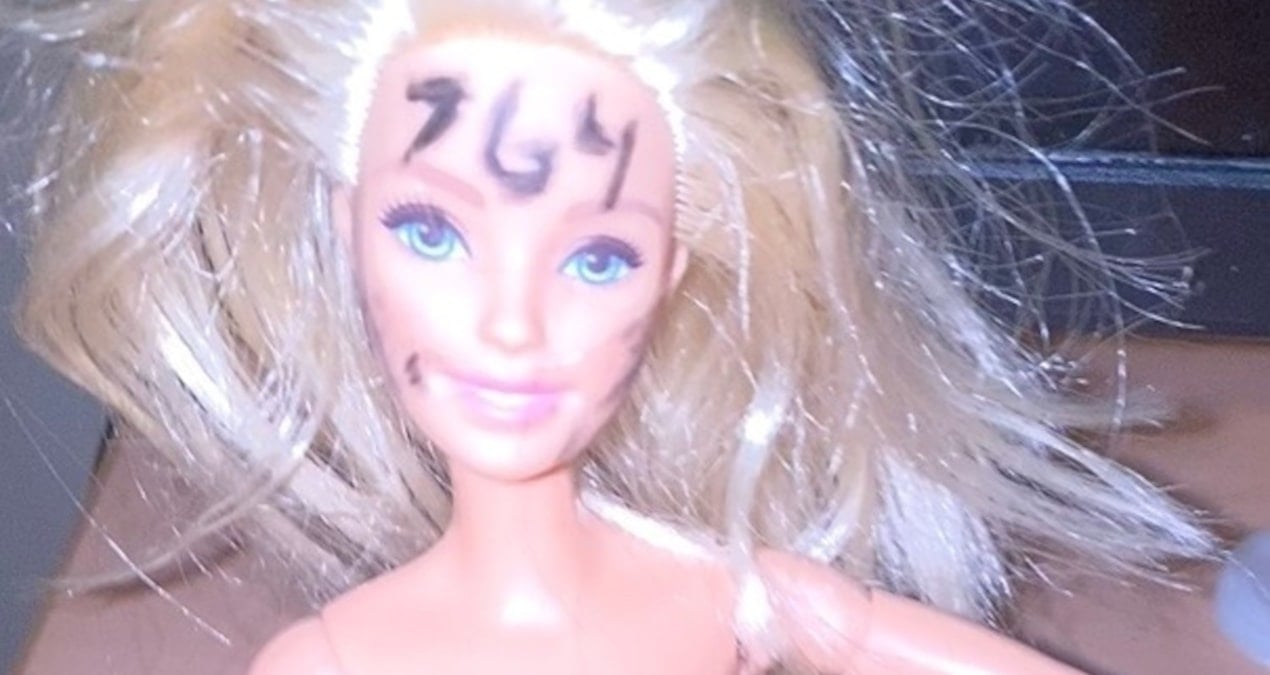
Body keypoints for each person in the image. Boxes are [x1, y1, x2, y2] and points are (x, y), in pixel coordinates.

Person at [9, 0, 1212, 671]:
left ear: (670, 274)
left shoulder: (728, 592)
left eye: (598, 257)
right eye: (432, 231)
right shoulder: (337, 661)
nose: (512, 322)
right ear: (346, 229)